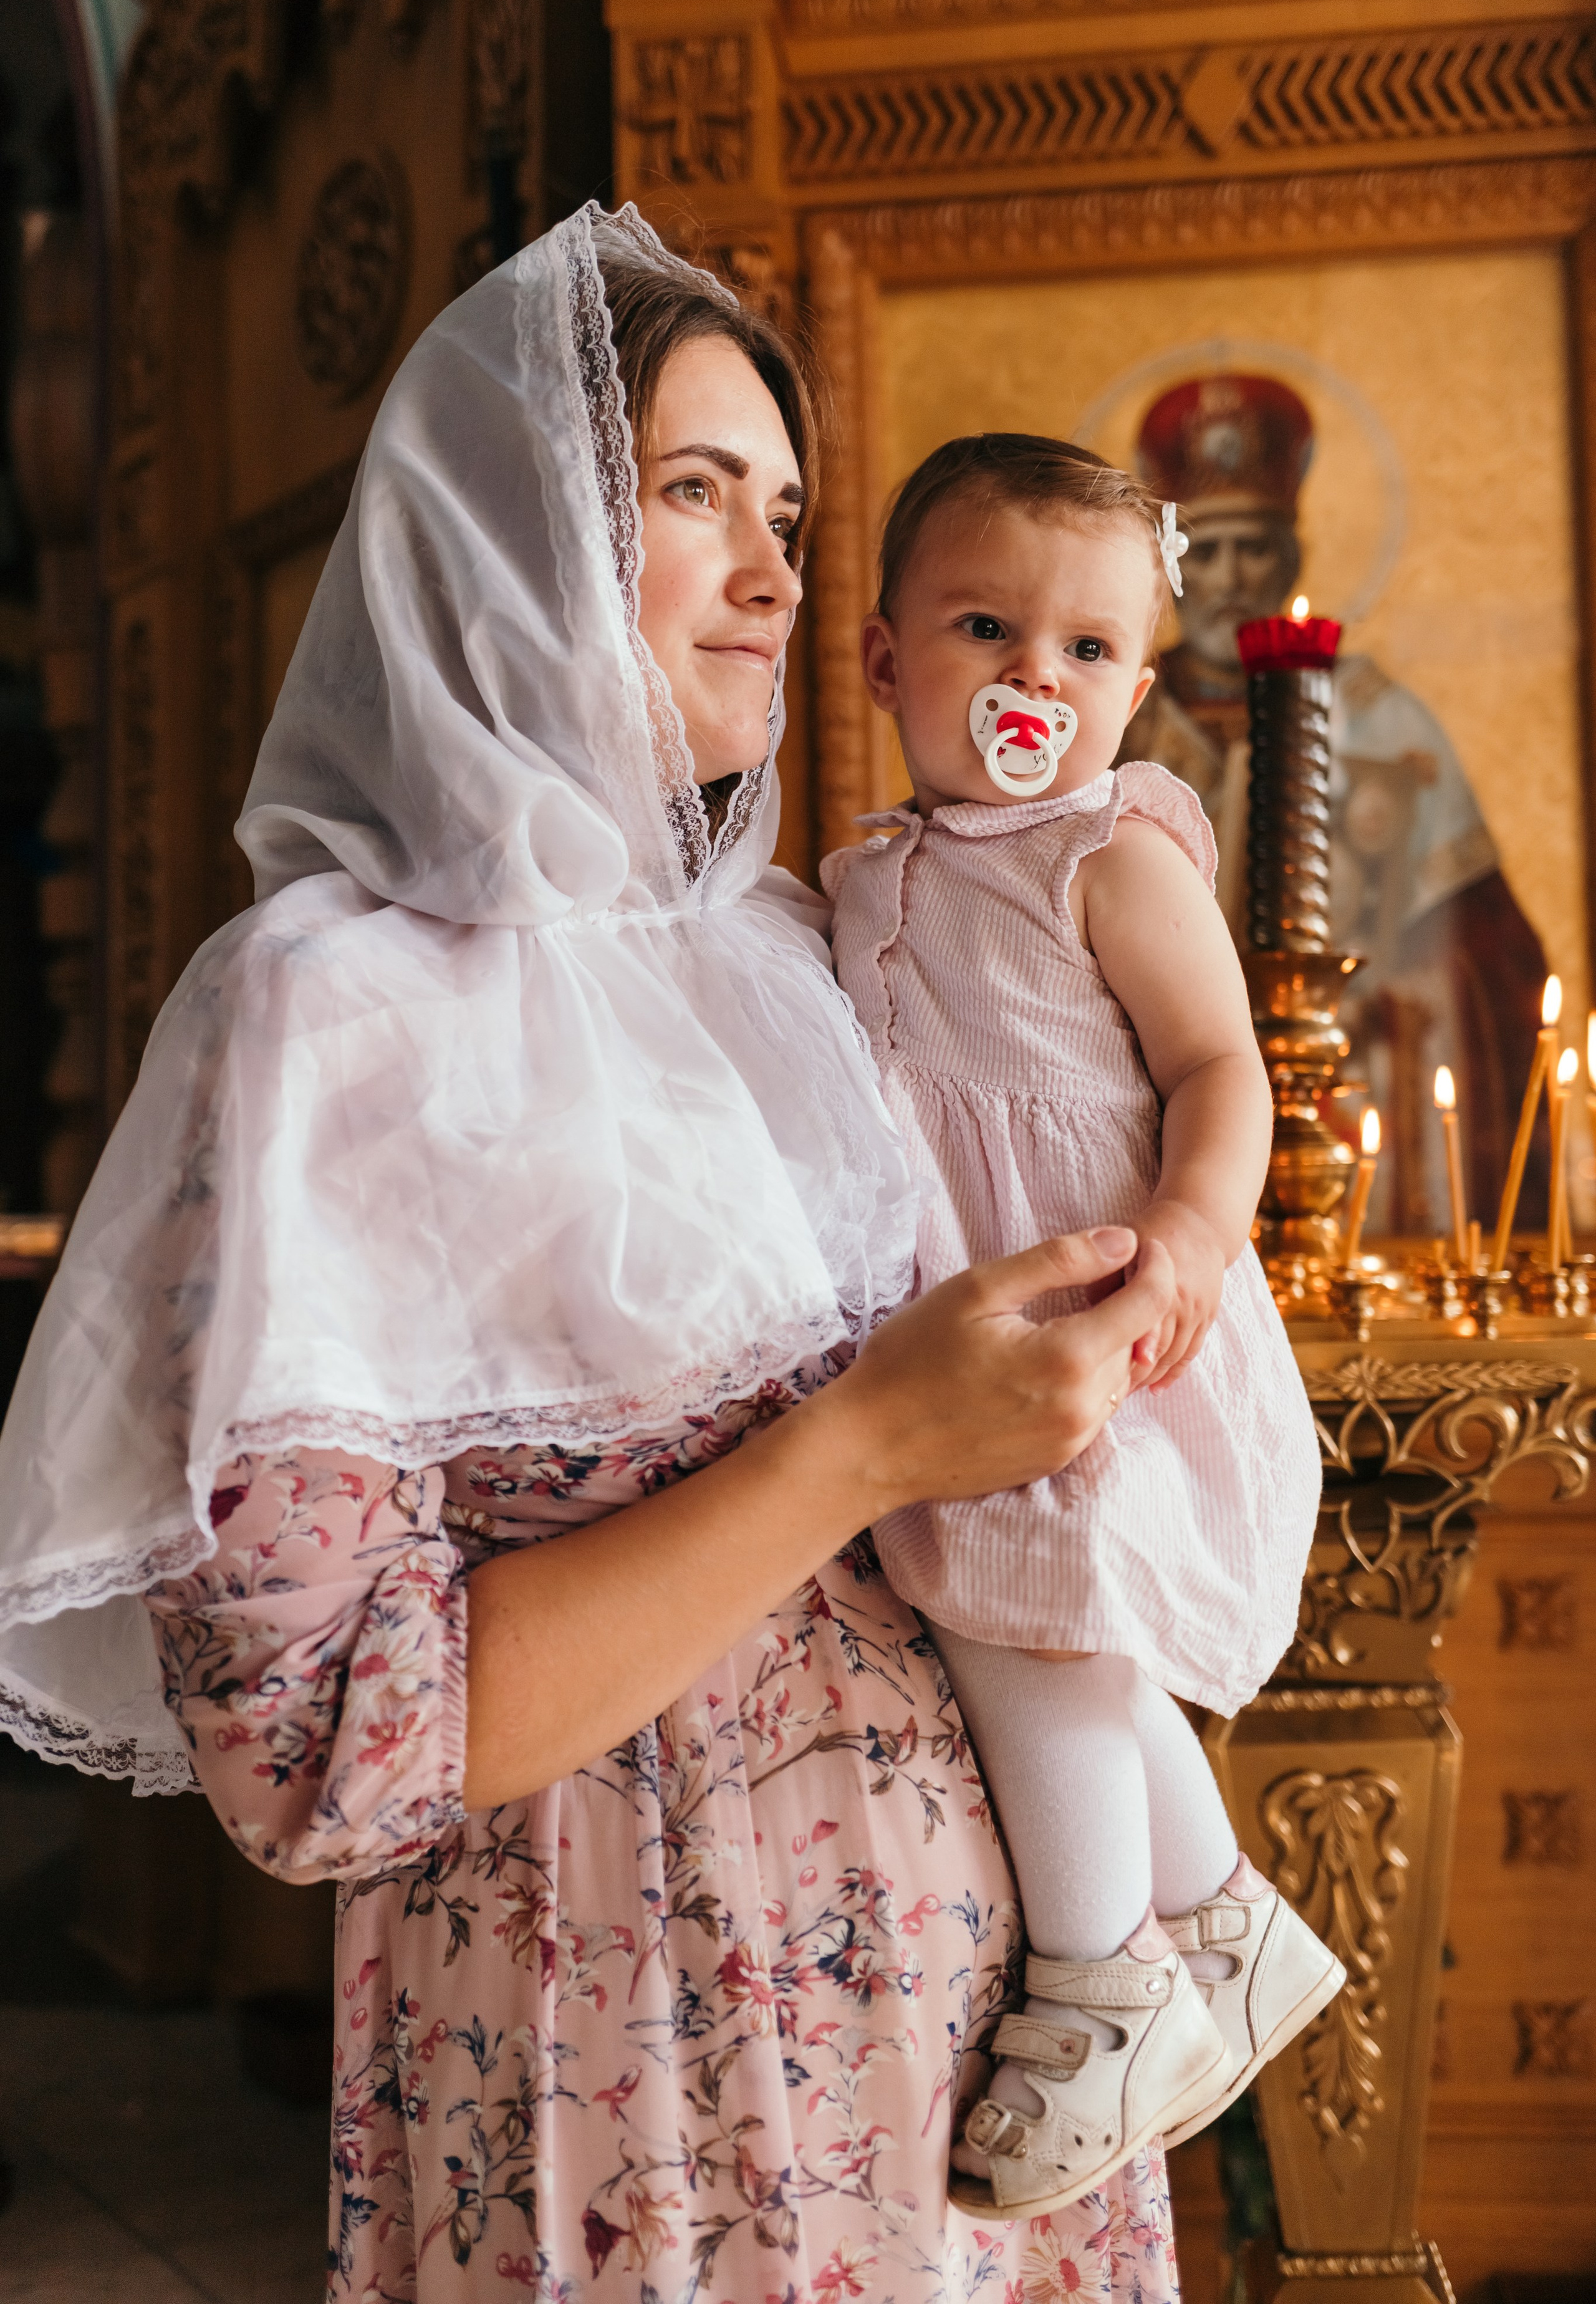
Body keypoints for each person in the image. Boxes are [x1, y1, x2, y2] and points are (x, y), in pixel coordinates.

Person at [0, 211, 1189, 2300]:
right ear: (510, 529)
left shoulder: (801, 952)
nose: (772, 576)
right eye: (692, 493)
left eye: (793, 515)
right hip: (630, 2049)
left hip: (976, 2033)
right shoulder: (327, 1017)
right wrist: (861, 1447)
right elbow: (319, 1751)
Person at [825, 433, 1339, 2223]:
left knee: (1034, 1625)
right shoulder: (867, 872)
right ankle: (1227, 1933)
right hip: (970, 1311)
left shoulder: (1109, 858)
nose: (1038, 679)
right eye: (988, 627)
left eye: (1091, 651)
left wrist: (1194, 1237)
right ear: (886, 658)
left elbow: (1219, 1066)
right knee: (1065, 1628)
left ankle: (1107, 1988)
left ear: (1135, 680)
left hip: (1111, 1310)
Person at [1122, 372, 1548, 1235]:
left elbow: (1485, 965)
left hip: (1364, 1125)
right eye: (1207, 551)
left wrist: (1385, 992)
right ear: (1171, 569)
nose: (1234, 577)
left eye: (1258, 548)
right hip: (1153, 1127)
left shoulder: (1386, 723)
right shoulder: (1116, 717)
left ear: (1295, 555)